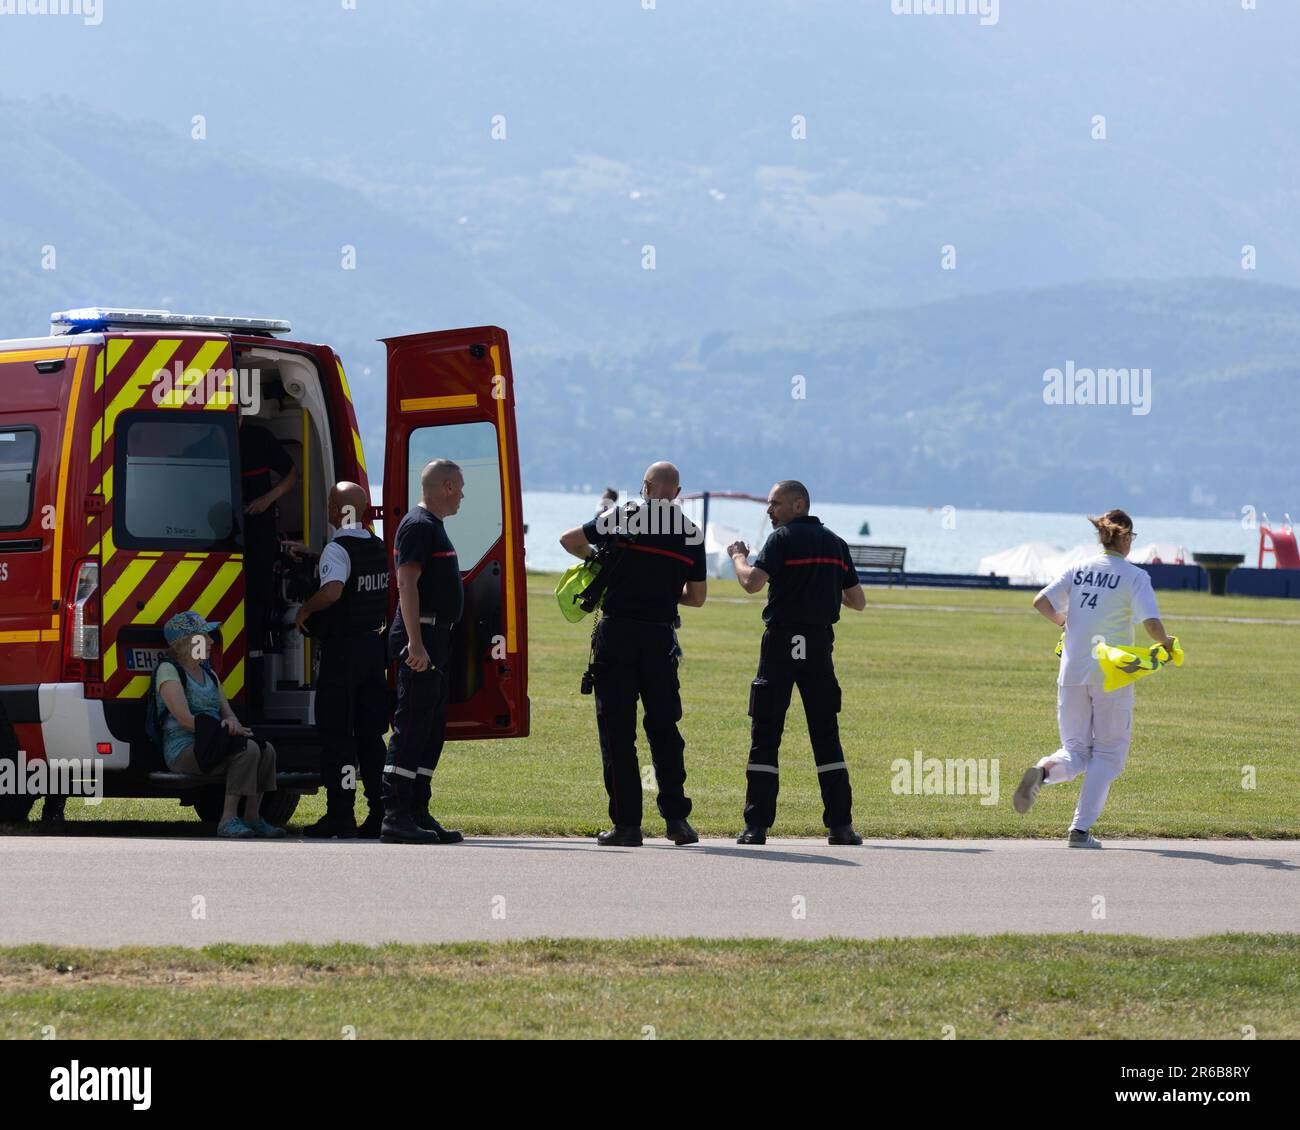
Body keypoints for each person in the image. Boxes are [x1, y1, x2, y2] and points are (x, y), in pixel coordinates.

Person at [559, 461, 707, 846]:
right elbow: (697, 597)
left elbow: (568, 540)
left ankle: (627, 825)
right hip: (659, 638)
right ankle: (677, 821)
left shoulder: (623, 514)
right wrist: (660, 590)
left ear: (645, 487)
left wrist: (601, 564)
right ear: (676, 493)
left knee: (618, 732)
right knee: (664, 730)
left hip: (617, 633)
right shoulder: (690, 531)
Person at [1013, 509, 1177, 848]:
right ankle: (1080, 830)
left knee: (1075, 750)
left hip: (1072, 670)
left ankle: (1043, 771)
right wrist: (1166, 644)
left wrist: (1064, 623)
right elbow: (1151, 623)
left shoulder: (1079, 569)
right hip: (1110, 675)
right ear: (1127, 538)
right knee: (1109, 754)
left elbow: (1041, 601)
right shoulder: (1135, 576)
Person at [727, 480, 866, 846]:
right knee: (825, 735)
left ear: (798, 504)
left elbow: (752, 584)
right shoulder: (836, 543)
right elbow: (857, 600)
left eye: (774, 504)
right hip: (819, 646)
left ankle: (756, 826)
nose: (769, 511)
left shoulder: (781, 539)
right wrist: (821, 585)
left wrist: (738, 556)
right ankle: (840, 826)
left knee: (766, 734)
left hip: (780, 646)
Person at [293, 482, 390, 839]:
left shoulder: (337, 548)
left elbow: (333, 591)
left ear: (335, 510)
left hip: (342, 653)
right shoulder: (376, 547)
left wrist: (305, 608)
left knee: (337, 737)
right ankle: (380, 811)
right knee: (370, 737)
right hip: (371, 650)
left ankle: (340, 814)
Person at [382, 459, 466, 844]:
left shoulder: (434, 528)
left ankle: (417, 808)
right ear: (446, 486)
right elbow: (406, 584)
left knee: (431, 730)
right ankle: (395, 814)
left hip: (437, 638)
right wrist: (414, 643)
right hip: (422, 638)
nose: (463, 495)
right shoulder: (418, 525)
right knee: (412, 726)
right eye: (460, 487)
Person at [154, 610, 284, 839]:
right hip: (185, 748)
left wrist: (232, 725)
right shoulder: (168, 671)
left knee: (266, 750)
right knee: (247, 750)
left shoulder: (210, 675)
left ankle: (252, 817)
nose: (211, 641)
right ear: (188, 642)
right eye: (205, 636)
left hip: (214, 741)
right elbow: (184, 719)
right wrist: (222, 730)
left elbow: (229, 714)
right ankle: (227, 819)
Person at [238, 419, 297, 716]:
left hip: (258, 533)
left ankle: (257, 694)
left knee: (259, 605)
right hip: (223, 532)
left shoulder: (257, 437)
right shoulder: (206, 435)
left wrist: (265, 500)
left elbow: (291, 474)